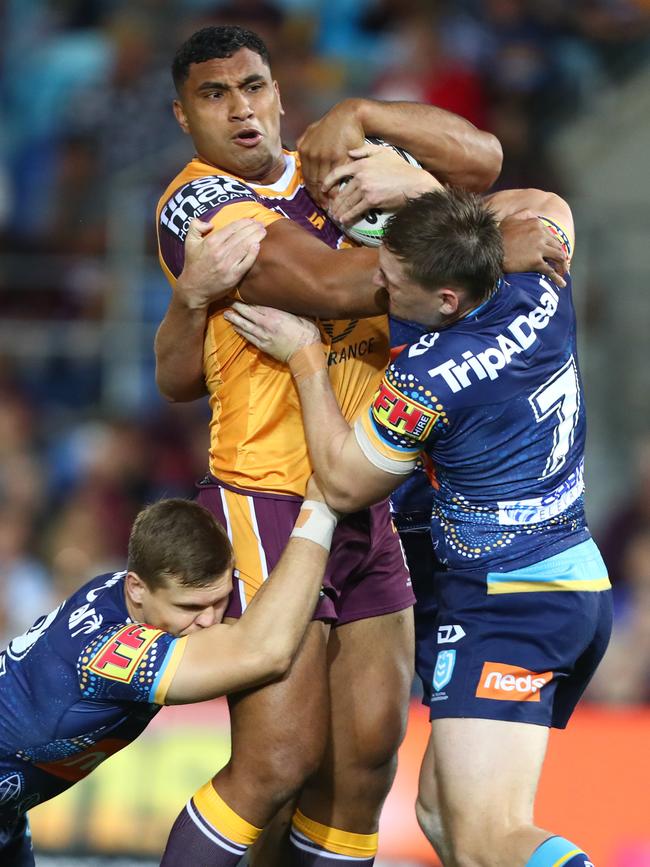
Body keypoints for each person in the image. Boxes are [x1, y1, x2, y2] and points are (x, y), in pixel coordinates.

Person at [155, 23, 513, 867]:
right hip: (269, 490)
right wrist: (486, 236)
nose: (241, 110)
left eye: (253, 87)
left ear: (281, 93)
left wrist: (369, 117)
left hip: (362, 488)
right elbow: (326, 284)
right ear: (182, 117)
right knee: (278, 762)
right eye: (214, 95)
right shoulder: (198, 204)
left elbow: (485, 161)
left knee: (361, 768)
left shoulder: (329, 164)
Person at [225, 186, 613, 867]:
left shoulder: (430, 378)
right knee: (439, 814)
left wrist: (306, 358)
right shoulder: (541, 280)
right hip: (567, 578)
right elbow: (547, 201)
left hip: (509, 603)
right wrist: (482, 233)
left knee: (489, 837)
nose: (372, 282)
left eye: (391, 281)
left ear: (446, 302)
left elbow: (345, 478)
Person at [0, 488, 339, 867]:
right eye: (190, 607)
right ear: (137, 588)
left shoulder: (126, 593)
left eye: (219, 600)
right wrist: (324, 509)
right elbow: (265, 653)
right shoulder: (112, 657)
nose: (209, 620)